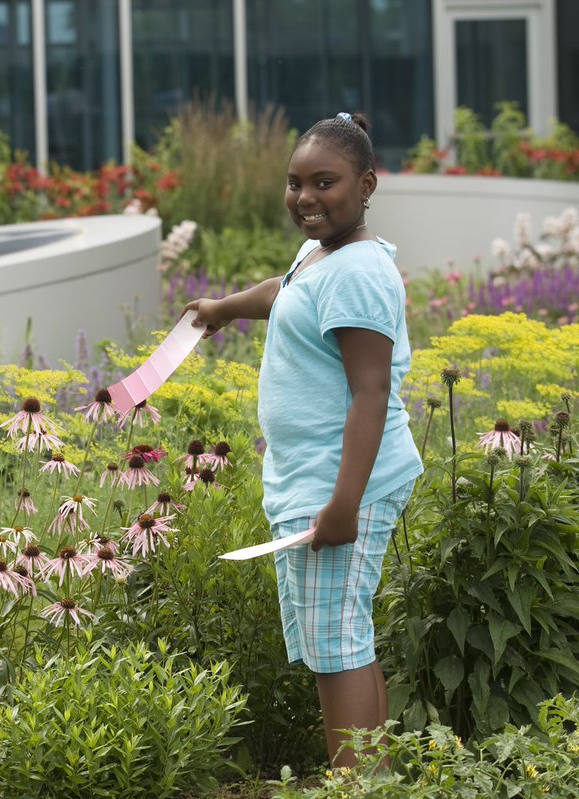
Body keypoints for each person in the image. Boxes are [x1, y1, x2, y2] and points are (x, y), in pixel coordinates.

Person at [185, 112, 423, 769]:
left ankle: (354, 785)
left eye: (325, 183)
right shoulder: (323, 255)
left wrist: (344, 504)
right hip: (317, 479)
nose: (305, 198)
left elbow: (370, 394)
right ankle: (371, 781)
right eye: (295, 184)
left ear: (367, 184)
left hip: (341, 483)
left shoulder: (358, 271)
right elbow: (288, 291)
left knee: (334, 646)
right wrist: (225, 307)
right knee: (343, 638)